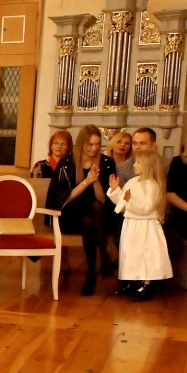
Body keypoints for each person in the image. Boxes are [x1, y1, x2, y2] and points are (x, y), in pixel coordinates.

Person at [46, 124, 113, 295]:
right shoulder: (67, 163)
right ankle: (104, 256)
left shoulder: (106, 162)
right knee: (90, 215)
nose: (94, 148)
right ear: (82, 143)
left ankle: (91, 274)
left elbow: (104, 200)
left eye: (97, 144)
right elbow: (63, 199)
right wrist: (86, 181)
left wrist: (95, 181)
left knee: (93, 211)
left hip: (96, 219)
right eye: (90, 144)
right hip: (70, 216)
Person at [108, 151, 171, 301]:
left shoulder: (153, 186)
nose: (134, 165)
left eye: (138, 162)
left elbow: (145, 208)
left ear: (148, 165)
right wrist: (116, 190)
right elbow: (123, 204)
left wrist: (129, 201)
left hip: (145, 227)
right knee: (131, 254)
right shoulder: (132, 182)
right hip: (131, 225)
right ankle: (131, 281)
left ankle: (146, 284)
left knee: (145, 255)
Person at [103, 131, 135, 254]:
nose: (122, 145)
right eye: (119, 142)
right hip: (107, 200)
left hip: (125, 202)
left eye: (127, 143)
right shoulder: (104, 162)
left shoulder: (133, 165)